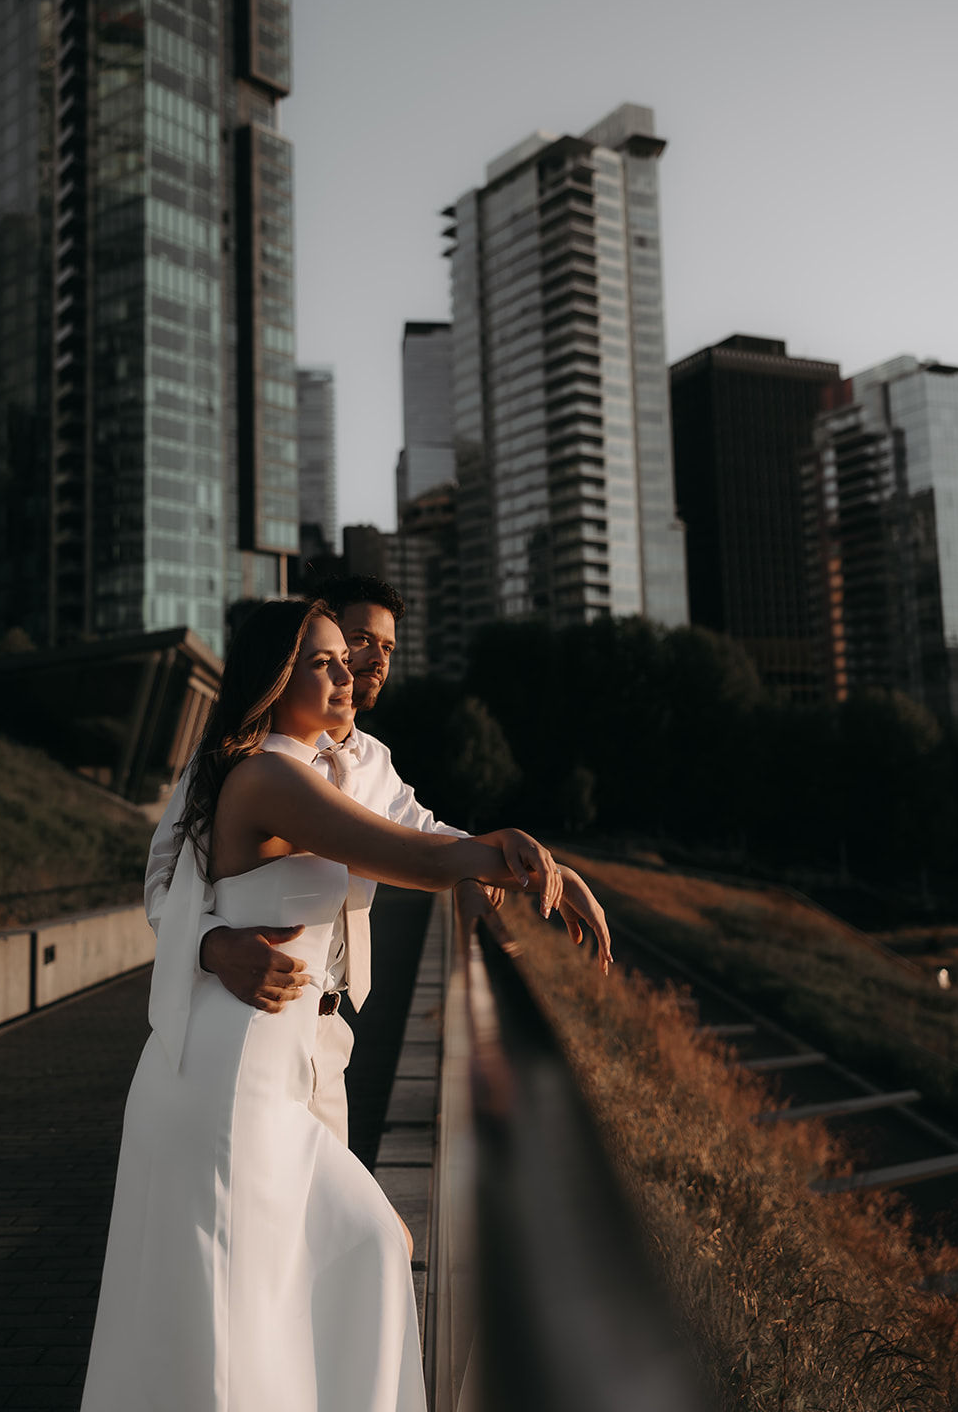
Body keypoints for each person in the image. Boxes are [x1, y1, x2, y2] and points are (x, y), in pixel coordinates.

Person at [81, 599, 562, 1412]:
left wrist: (503, 863)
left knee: (371, 1246)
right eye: (326, 660)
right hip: (230, 1080)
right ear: (275, 679)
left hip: (279, 1068)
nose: (350, 673)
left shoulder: (316, 765)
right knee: (232, 1328)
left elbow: (418, 829)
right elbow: (406, 854)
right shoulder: (265, 774)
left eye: (353, 657)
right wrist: (501, 852)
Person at [143, 576, 612, 1144]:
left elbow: (429, 835)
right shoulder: (243, 760)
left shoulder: (373, 761)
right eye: (357, 641)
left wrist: (546, 869)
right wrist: (210, 945)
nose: (369, 662)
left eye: (385, 648)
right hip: (250, 1016)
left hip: (326, 1030)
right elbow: (164, 879)